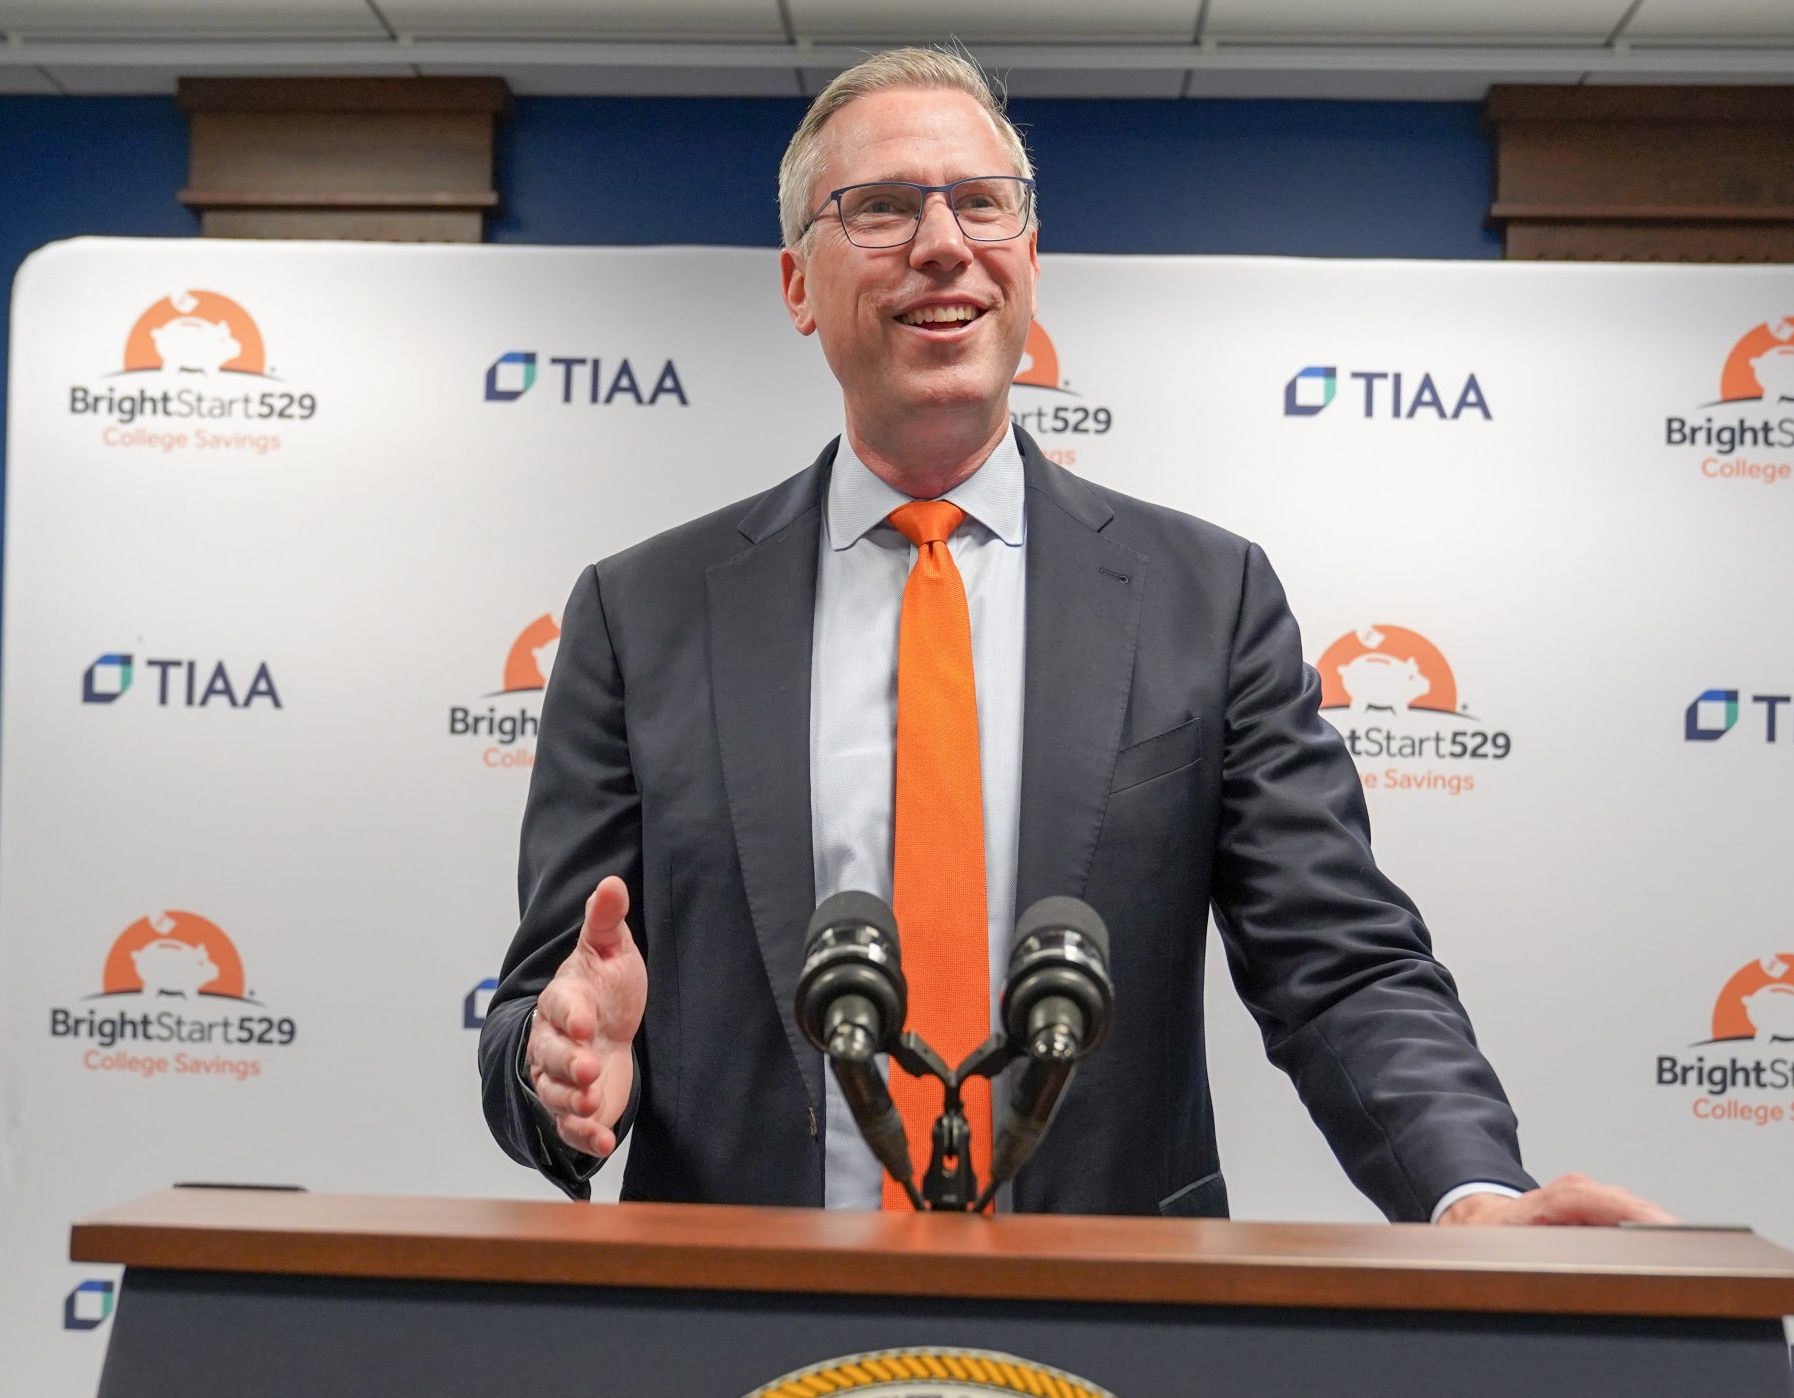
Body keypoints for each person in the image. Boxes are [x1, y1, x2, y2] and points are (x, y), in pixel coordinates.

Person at [478, 47, 1669, 1227]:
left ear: (1028, 260)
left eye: (981, 204)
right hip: (743, 1329)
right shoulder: (640, 616)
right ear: (798, 283)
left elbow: (1340, 960)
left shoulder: (1208, 599)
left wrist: (1469, 1192)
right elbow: (548, 997)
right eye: (883, 208)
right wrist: (560, 1060)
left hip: (1111, 1326)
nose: (943, 242)